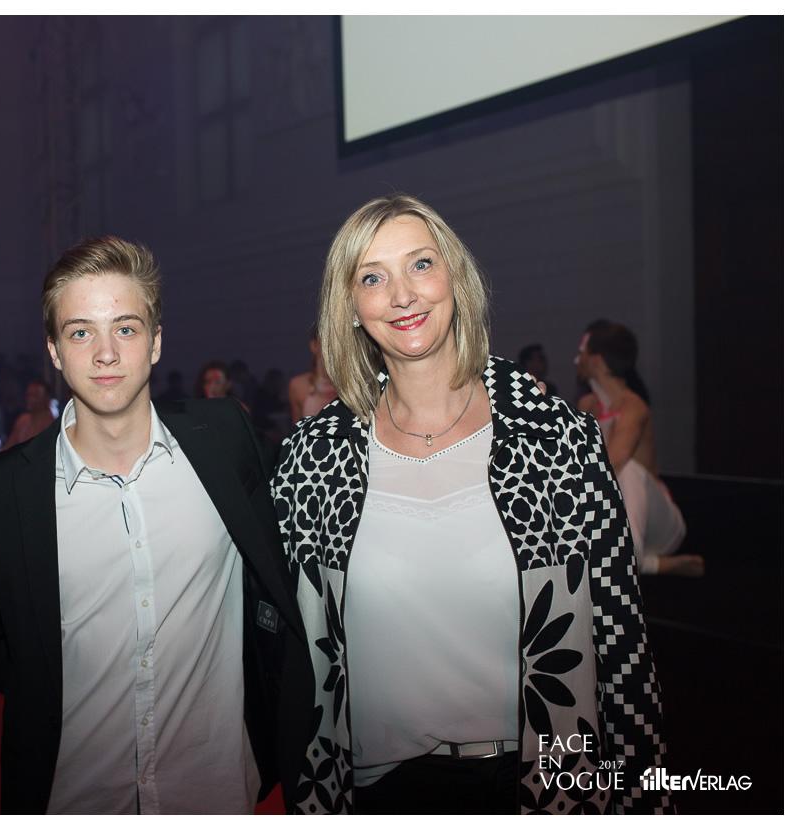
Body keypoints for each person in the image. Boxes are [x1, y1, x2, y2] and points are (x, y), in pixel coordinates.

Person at [272, 195, 671, 814]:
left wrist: (642, 798)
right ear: (349, 307)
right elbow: (290, 651)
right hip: (376, 794)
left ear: (455, 278)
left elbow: (620, 641)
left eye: (421, 264)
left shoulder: (554, 441)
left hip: (539, 787)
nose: (402, 295)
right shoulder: (314, 461)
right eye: (372, 277)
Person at [0, 235, 312, 814]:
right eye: (81, 332)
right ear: (54, 351)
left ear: (155, 342)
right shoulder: (2, 493)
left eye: (126, 329)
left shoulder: (223, 441)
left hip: (216, 795)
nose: (106, 353)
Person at [575, 320, 703, 577]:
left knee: (627, 469)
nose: (576, 360)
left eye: (582, 352)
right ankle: (655, 564)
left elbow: (613, 463)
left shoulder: (633, 407)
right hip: (614, 511)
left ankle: (629, 555)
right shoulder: (586, 405)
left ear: (597, 360)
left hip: (659, 523)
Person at [287, 325, 338, 423]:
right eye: (327, 341)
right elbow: (297, 427)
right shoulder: (299, 385)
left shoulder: (352, 385)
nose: (334, 347)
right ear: (314, 346)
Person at [5, 378, 54, 447]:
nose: (30, 399)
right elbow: (8, 446)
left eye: (35, 395)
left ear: (47, 398)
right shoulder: (22, 421)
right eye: (28, 395)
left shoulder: (50, 425)